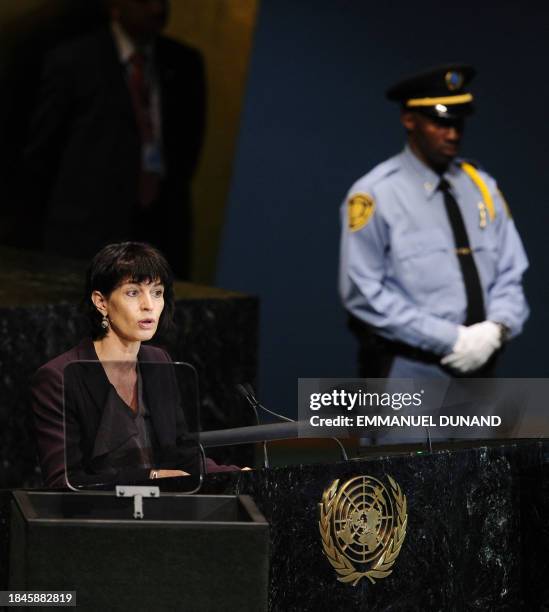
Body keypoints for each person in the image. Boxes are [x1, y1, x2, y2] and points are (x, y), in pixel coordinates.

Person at [339, 64, 529, 378]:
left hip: (482, 369)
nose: (452, 133)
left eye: (458, 123)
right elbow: (363, 291)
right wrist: (451, 339)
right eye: (439, 122)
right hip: (410, 371)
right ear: (409, 119)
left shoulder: (482, 188)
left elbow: (511, 272)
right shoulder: (376, 194)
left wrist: (497, 328)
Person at [31, 242, 242, 488]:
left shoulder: (158, 361)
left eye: (157, 292)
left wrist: (235, 474)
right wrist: (151, 477)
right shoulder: (58, 377)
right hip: (100, 518)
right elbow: (63, 482)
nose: (149, 305)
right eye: (133, 292)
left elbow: (183, 457)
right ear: (101, 302)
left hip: (165, 513)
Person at [23, 0, 205, 278]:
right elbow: (42, 154)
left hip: (157, 236)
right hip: (82, 238)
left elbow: (187, 150)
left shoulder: (184, 64)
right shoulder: (75, 60)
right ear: (115, 5)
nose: (156, 9)